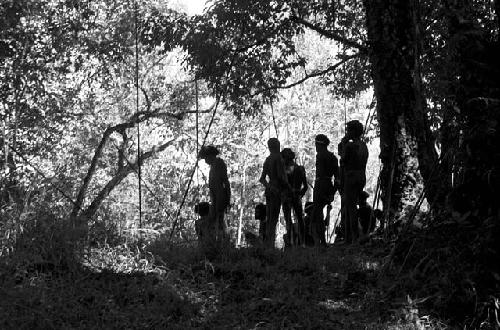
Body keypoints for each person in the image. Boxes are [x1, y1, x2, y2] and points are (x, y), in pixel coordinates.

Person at [259, 138, 291, 247]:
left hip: (270, 190)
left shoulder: (268, 159)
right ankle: (270, 245)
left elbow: (262, 179)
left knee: (270, 218)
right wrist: (288, 188)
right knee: (274, 218)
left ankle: (268, 243)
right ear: (277, 146)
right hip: (278, 190)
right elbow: (282, 177)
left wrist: (269, 186)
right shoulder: (278, 158)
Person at [340, 120, 369, 244]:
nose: (347, 132)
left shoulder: (350, 146)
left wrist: (343, 143)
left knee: (351, 207)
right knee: (349, 206)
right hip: (361, 176)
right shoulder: (364, 145)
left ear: (353, 131)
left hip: (351, 177)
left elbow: (343, 160)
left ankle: (354, 237)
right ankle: (348, 237)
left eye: (349, 130)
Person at [198, 145, 231, 242]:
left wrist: (228, 198)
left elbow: (225, 181)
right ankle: (215, 242)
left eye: (206, 158)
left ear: (211, 156)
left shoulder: (219, 163)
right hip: (215, 198)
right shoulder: (212, 167)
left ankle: (224, 243)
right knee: (214, 220)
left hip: (221, 196)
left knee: (220, 220)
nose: (205, 161)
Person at [311, 134, 339, 246]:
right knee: (318, 212)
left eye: (316, 144)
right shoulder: (333, 157)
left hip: (320, 185)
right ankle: (320, 240)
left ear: (319, 144)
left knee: (318, 213)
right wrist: (333, 191)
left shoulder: (320, 156)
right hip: (329, 185)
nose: (315, 147)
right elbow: (337, 177)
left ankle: (322, 241)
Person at [281, 148, 308, 246]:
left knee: (297, 219)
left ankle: (300, 242)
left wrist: (299, 194)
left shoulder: (298, 169)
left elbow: (305, 187)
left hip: (293, 197)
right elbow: (305, 187)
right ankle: (295, 242)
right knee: (293, 219)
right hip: (291, 197)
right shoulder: (297, 169)